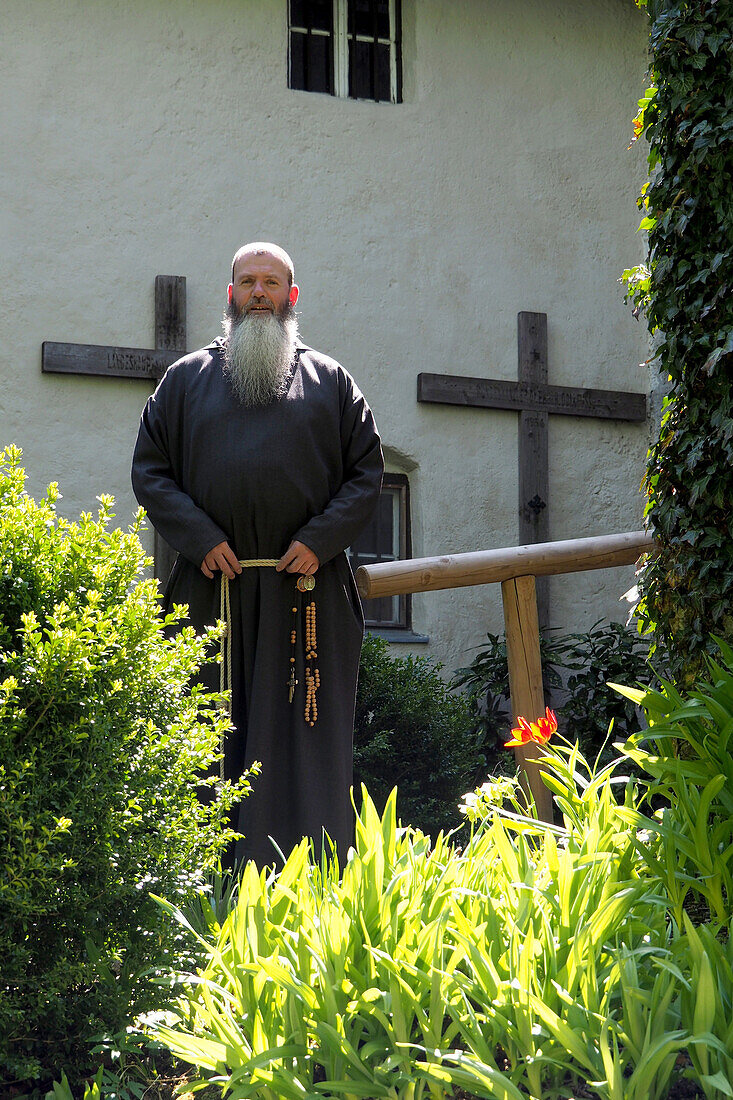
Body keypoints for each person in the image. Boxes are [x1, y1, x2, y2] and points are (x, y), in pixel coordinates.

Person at [131, 242, 383, 867]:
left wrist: (319, 541)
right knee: (209, 736)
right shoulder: (185, 380)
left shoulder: (331, 382)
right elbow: (152, 471)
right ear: (231, 294)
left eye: (272, 282)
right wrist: (199, 537)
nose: (260, 293)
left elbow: (366, 475)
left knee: (300, 739)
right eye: (248, 282)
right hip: (211, 587)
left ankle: (307, 877)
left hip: (306, 590)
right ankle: (202, 877)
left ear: (293, 296)